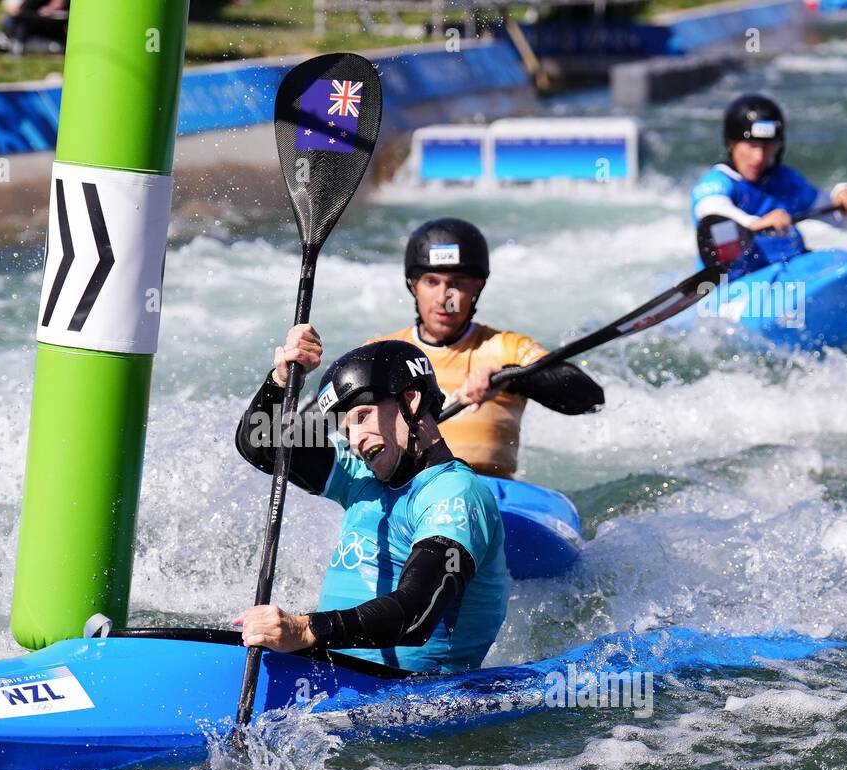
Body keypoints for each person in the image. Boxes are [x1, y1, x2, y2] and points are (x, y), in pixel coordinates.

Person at [232, 333, 509, 674]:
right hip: (335, 675)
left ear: (411, 401)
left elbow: (416, 614)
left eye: (362, 417)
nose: (356, 440)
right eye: (347, 430)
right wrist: (283, 381)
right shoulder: (360, 479)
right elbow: (261, 441)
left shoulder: (455, 493)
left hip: (411, 694)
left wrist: (304, 629)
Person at [366, 218, 604, 480]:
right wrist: (309, 372)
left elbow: (590, 400)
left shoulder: (507, 348)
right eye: (432, 282)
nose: (444, 298)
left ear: (477, 287)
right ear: (414, 286)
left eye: (457, 283)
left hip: (492, 497)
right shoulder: (378, 356)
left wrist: (509, 377)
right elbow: (315, 433)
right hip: (407, 497)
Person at [691, 94, 847, 279]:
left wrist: (843, 197)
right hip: (740, 283)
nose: (759, 157)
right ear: (732, 144)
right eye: (752, 145)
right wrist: (755, 223)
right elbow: (711, 210)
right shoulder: (717, 182)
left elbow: (841, 220)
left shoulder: (784, 179)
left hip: (791, 271)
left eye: (767, 146)